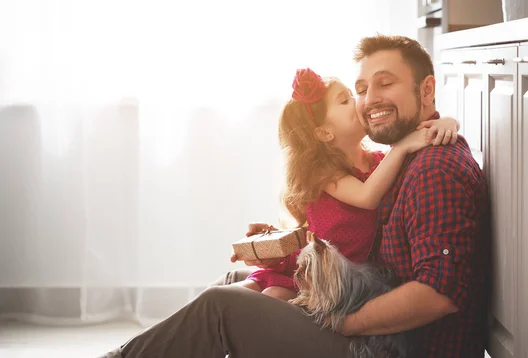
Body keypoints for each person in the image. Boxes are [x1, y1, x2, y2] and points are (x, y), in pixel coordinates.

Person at [100, 34, 490, 358]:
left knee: (222, 308)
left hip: (380, 344)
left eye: (385, 84)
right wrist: (290, 241)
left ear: (426, 89)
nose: (368, 100)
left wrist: (336, 320)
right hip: (359, 303)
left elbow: (439, 295)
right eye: (361, 89)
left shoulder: (434, 171)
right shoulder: (403, 152)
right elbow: (352, 230)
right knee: (237, 279)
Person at [232, 68, 460, 301]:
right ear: (324, 133)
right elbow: (367, 197)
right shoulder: (325, 172)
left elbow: (421, 130)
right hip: (312, 271)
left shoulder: (380, 163)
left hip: (339, 280)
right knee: (252, 295)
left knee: (272, 298)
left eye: (352, 94)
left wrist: (448, 122)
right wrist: (401, 147)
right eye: (345, 100)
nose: (359, 101)